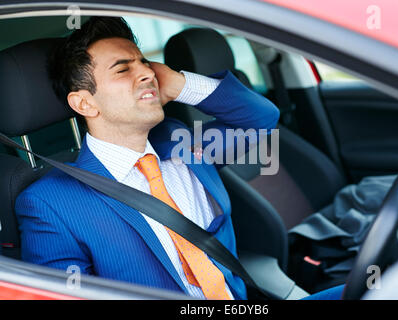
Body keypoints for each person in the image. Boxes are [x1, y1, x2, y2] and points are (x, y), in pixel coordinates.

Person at [15, 16, 343, 300]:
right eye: (123, 69)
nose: (146, 74)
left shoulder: (179, 143)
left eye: (144, 62)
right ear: (85, 104)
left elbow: (260, 120)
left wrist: (179, 82)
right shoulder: (50, 204)